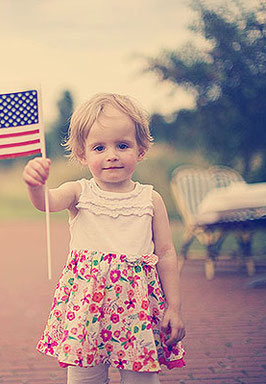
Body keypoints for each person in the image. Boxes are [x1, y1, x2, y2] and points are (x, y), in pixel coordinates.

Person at [22, 93, 186, 384]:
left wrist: (173, 307)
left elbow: (166, 253)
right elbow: (47, 202)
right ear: (83, 155)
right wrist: (35, 185)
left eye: (122, 145)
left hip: (137, 309)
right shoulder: (79, 192)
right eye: (99, 147)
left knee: (141, 379)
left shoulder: (150, 199)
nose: (111, 154)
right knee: (85, 379)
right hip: (87, 308)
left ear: (141, 149)